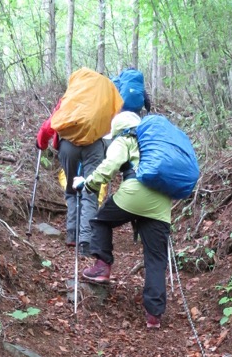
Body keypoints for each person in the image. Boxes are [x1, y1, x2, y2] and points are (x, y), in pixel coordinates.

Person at [72, 111, 171, 330]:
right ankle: (154, 315)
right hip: (162, 203)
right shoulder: (155, 144)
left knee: (100, 221)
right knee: (156, 259)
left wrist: (87, 183)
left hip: (135, 193)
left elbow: (109, 167)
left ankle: (102, 267)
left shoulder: (126, 139)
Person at [36, 114, 105, 256]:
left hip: (68, 144)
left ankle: (72, 234)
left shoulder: (71, 98)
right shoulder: (101, 97)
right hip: (94, 145)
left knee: (71, 190)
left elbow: (52, 122)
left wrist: (41, 142)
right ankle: (86, 241)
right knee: (90, 192)